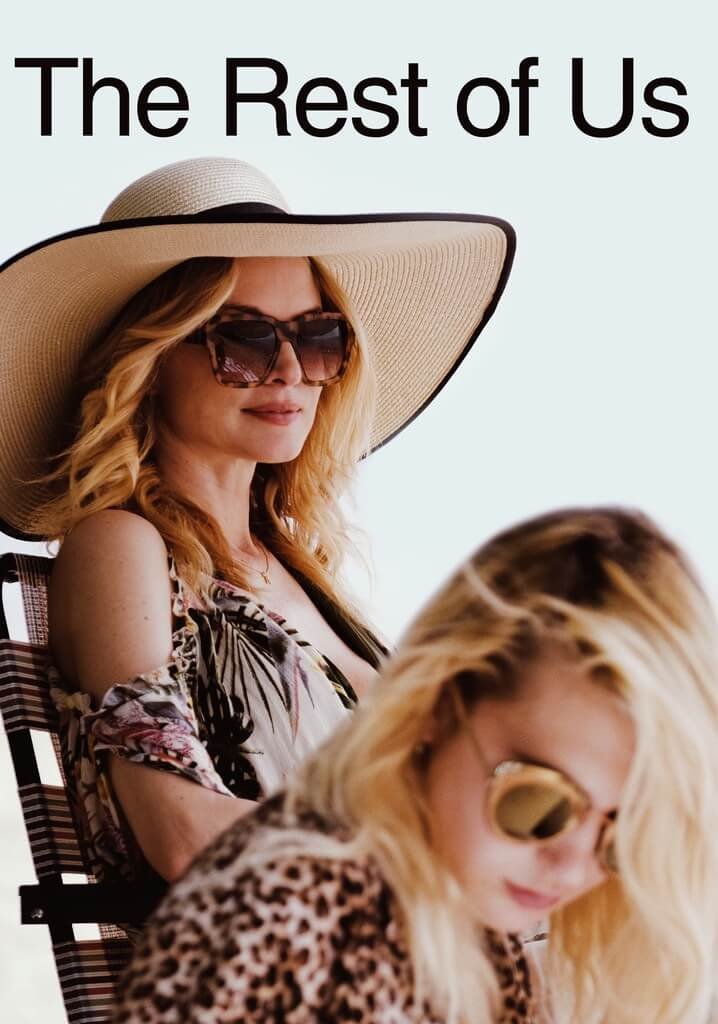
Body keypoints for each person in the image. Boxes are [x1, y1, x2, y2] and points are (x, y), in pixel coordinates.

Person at [0, 156, 515, 890]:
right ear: (149, 358)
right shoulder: (121, 545)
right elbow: (181, 832)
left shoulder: (293, 565)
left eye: (318, 337)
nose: (290, 371)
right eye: (244, 340)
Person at [114, 506, 718, 1024]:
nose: (572, 868)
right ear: (437, 709)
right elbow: (180, 833)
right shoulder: (288, 915)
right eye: (537, 803)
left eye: (622, 837)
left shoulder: (480, 947)